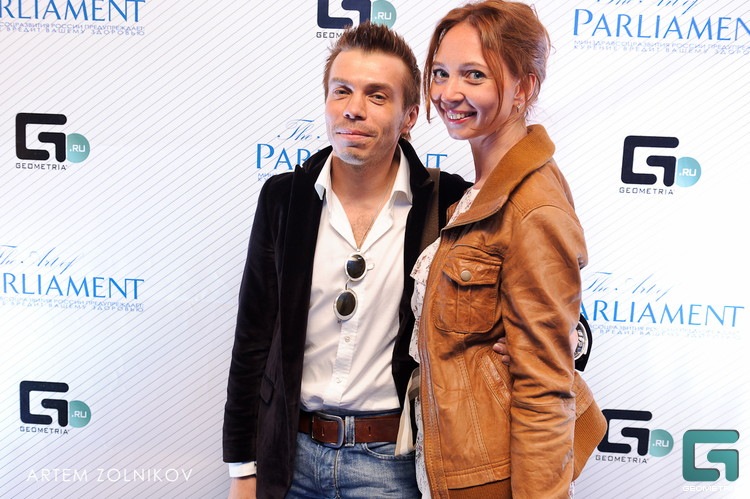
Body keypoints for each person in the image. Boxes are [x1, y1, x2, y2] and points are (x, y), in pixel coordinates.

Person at [222, 21, 471, 499]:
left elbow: (542, 309)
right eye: (342, 91)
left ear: (409, 116)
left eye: (377, 96)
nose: (353, 109)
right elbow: (252, 340)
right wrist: (242, 470)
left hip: (391, 466)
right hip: (288, 460)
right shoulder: (284, 198)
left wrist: (550, 341)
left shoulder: (451, 204)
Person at [410, 1, 606, 497]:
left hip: (493, 479)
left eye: (474, 75)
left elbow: (545, 390)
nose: (448, 92)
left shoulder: (531, 205)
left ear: (524, 88)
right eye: (441, 73)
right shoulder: (482, 192)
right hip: (455, 469)